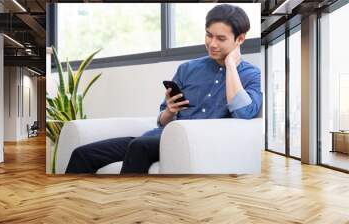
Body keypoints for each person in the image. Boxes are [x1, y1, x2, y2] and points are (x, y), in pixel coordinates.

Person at [66, 4, 262, 174]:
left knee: (139, 146)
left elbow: (244, 114)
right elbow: (161, 120)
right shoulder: (188, 69)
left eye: (221, 38)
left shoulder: (250, 75)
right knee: (82, 154)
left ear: (240, 39)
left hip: (194, 144)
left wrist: (230, 66)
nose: (212, 44)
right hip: (158, 137)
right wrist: (169, 111)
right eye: (209, 35)